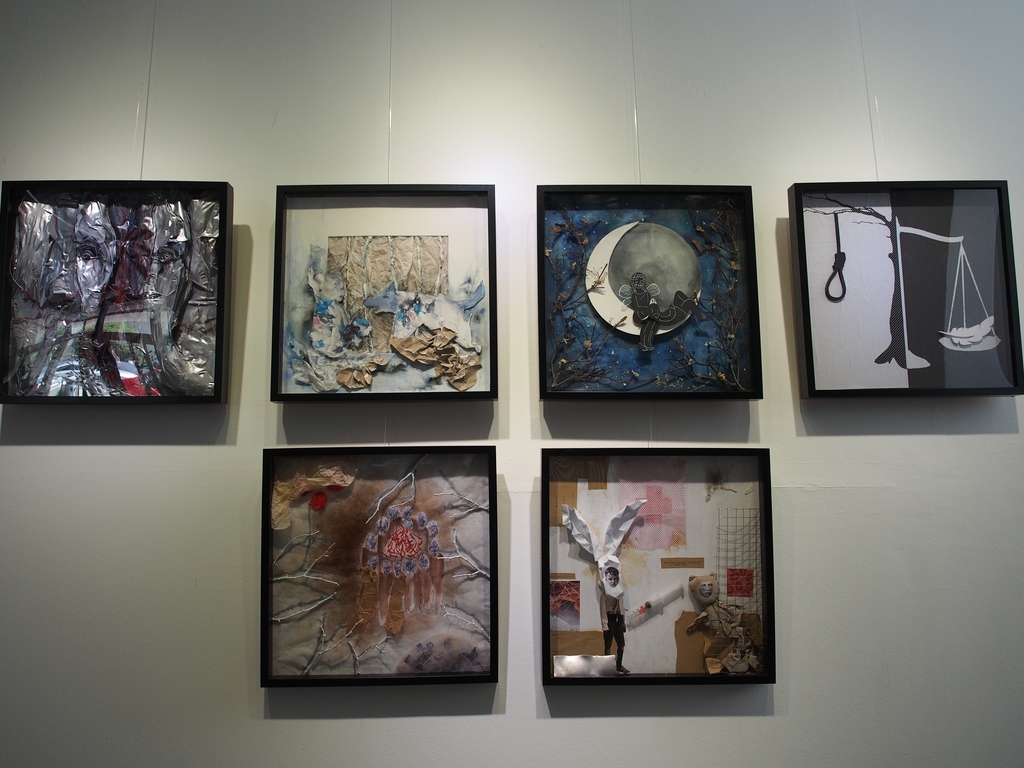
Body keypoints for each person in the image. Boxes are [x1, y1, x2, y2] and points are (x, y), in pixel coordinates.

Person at [599, 565, 630, 674]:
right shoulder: (604, 595)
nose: (613, 581)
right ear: (606, 579)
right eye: (610, 579)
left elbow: (621, 608)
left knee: (621, 644)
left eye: (615, 579)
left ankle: (619, 665)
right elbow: (603, 611)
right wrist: (605, 625)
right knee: (608, 644)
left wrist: (623, 622)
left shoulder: (619, 594)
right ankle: (608, 667)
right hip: (609, 620)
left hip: (618, 619)